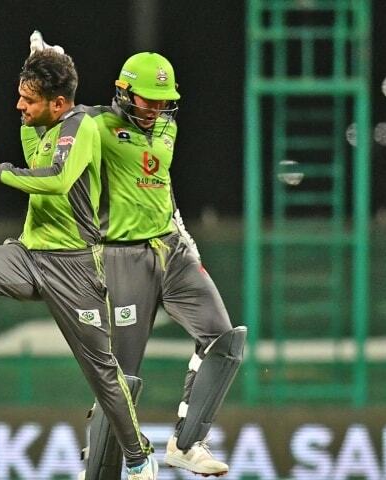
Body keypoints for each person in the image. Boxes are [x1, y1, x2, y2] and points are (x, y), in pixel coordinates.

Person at [0, 49, 158, 480]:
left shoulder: (80, 125)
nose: (19, 106)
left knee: (104, 374)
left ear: (59, 103)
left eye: (28, 100)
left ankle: (140, 459)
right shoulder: (47, 125)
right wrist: (41, 61)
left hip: (75, 267)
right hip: (30, 255)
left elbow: (57, 179)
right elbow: (36, 160)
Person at [30, 34, 246, 478]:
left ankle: (187, 445)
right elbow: (48, 116)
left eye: (164, 102)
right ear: (123, 92)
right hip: (121, 257)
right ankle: (100, 469)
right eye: (148, 101)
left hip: (173, 246)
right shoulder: (91, 126)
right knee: (119, 384)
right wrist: (46, 66)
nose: (155, 111)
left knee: (224, 341)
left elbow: (158, 183)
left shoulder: (167, 126)